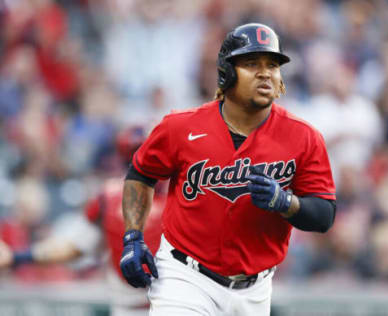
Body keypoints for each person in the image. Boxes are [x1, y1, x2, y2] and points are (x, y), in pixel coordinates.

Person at [120, 23, 336, 316]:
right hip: (185, 276)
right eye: (251, 63)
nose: (265, 73)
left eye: (272, 65)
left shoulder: (304, 137)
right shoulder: (181, 127)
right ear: (227, 72)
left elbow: (324, 215)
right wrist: (133, 236)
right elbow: (140, 173)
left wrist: (287, 203)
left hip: (255, 289)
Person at [0, 126, 166, 316]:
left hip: (181, 305)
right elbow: (74, 247)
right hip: (129, 308)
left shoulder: (186, 191)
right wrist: (16, 257)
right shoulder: (110, 197)